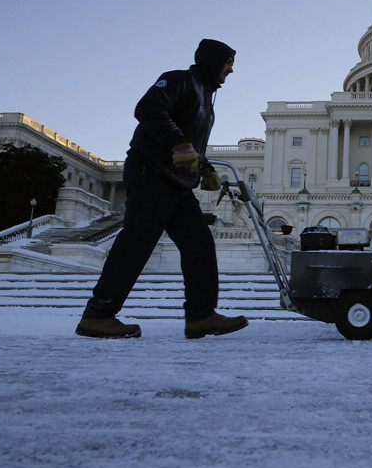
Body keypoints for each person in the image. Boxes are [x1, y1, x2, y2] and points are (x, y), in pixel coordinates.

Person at [76, 39, 248, 339]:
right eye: (227, 62)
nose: (231, 70)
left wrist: (203, 167)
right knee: (136, 242)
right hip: (151, 174)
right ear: (212, 62)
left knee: (200, 246)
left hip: (177, 184)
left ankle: (201, 315)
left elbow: (190, 144)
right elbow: (148, 108)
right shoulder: (180, 80)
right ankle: (98, 314)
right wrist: (179, 143)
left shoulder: (207, 100)